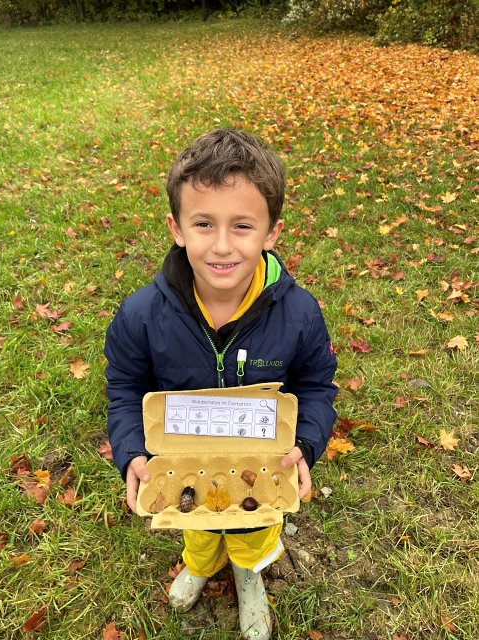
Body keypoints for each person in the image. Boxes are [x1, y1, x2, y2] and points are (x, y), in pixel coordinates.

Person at [104, 128, 338, 640]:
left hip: (263, 467)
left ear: (272, 232)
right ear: (177, 228)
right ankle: (203, 563)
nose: (223, 245)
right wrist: (132, 451)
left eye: (243, 225)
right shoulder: (141, 316)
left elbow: (316, 386)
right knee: (198, 525)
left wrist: (304, 444)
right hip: (183, 465)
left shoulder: (299, 314)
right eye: (204, 224)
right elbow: (124, 388)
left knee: (253, 528)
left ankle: (248, 572)